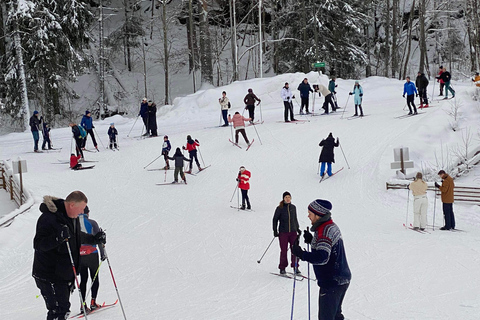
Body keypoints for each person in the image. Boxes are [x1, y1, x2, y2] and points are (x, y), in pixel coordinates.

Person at [32, 191, 106, 320]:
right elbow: (38, 244)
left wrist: (95, 239)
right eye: (81, 208)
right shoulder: (48, 218)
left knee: (63, 310)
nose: (82, 212)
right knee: (58, 311)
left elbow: (77, 237)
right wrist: (58, 237)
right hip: (49, 274)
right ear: (72, 205)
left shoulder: (72, 218)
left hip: (64, 273)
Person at [291, 199, 351, 320]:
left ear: (318, 215)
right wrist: (312, 240)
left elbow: (322, 257)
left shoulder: (324, 231)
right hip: (340, 278)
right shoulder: (328, 226)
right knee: (335, 315)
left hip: (332, 282)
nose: (308, 216)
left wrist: (302, 254)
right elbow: (325, 246)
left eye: (310, 213)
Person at [78, 206, 106, 313]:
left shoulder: (74, 223)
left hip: (80, 255)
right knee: (94, 278)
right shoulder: (92, 223)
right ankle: (93, 302)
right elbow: (98, 239)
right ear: (87, 213)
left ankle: (82, 305)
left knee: (83, 279)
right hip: (92, 254)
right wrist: (103, 254)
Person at [272, 191, 301, 275]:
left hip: (293, 232)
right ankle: (282, 268)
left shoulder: (293, 207)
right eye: (286, 197)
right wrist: (275, 230)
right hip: (283, 232)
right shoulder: (280, 208)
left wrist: (297, 228)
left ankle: (295, 267)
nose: (288, 199)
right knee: (284, 251)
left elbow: (295, 219)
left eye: (289, 197)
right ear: (283, 198)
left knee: (294, 250)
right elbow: (275, 219)